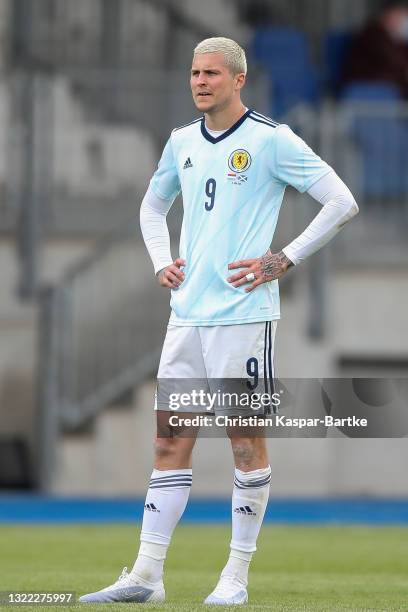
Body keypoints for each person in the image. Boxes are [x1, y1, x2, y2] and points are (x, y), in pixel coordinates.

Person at [80, 37, 358, 605]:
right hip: (186, 318)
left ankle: (235, 577)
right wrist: (163, 261)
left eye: (211, 73)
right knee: (169, 444)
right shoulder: (181, 141)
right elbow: (152, 205)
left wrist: (282, 259)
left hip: (243, 318)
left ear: (238, 80)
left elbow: (340, 199)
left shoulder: (270, 140)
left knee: (244, 443)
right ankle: (146, 577)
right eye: (194, 73)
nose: (199, 81)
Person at [341, 1, 408, 97]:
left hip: (390, 83)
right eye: (400, 15)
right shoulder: (372, 33)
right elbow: (391, 58)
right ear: (388, 15)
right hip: (368, 84)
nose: (403, 20)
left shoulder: (396, 37)